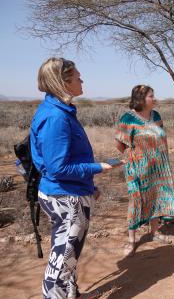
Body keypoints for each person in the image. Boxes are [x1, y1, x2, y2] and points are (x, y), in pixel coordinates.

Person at [30, 57, 117, 299]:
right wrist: (97, 167)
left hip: (71, 192)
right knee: (61, 262)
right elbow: (58, 169)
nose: (82, 80)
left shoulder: (59, 110)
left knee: (67, 253)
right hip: (66, 197)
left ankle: (72, 294)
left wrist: (89, 185)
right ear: (63, 82)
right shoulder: (56, 117)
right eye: (78, 77)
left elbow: (61, 161)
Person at [115, 85, 174, 256]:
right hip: (137, 168)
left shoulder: (156, 115)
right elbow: (120, 143)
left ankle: (155, 232)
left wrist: (164, 161)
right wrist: (136, 158)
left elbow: (162, 137)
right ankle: (131, 239)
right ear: (140, 99)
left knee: (155, 196)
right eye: (151, 96)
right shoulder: (128, 119)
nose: (154, 98)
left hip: (158, 167)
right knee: (136, 200)